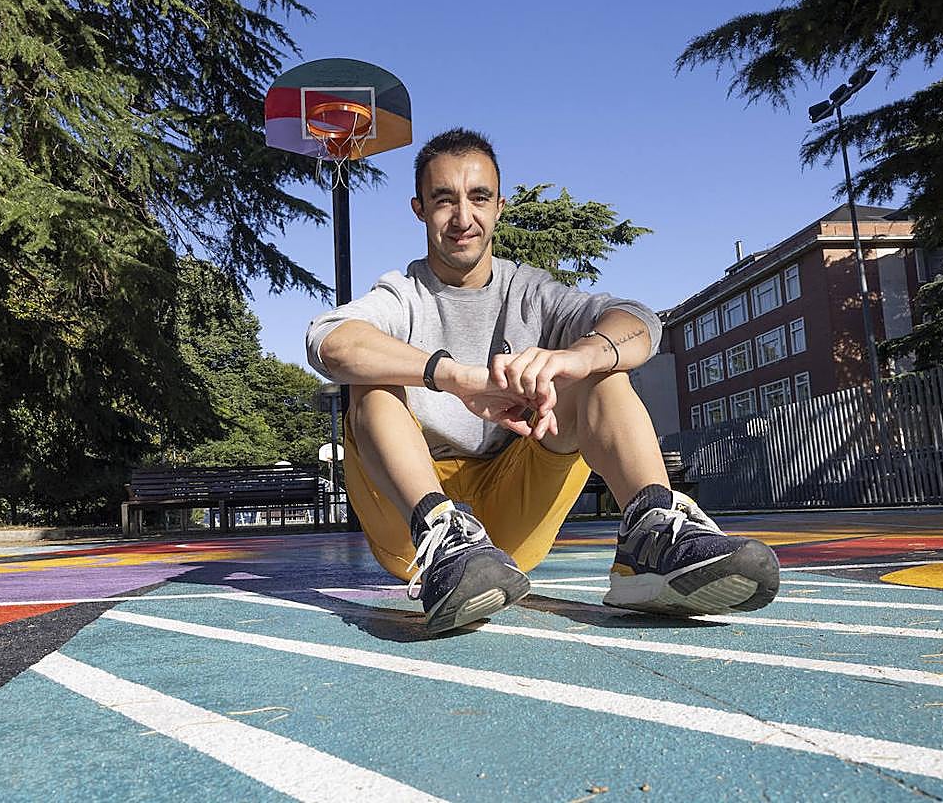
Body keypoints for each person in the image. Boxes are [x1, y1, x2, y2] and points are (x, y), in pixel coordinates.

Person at [305, 128, 780, 634]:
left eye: (478, 198)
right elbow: (329, 341)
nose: (463, 218)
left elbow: (639, 323)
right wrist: (454, 376)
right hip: (410, 528)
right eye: (444, 200)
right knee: (371, 384)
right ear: (419, 209)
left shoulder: (532, 291)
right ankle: (445, 540)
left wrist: (577, 357)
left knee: (601, 371)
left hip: (513, 509)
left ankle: (652, 538)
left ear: (499, 207)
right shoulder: (402, 296)